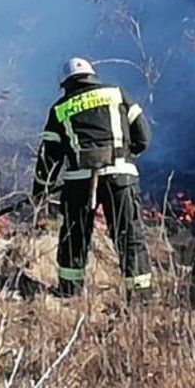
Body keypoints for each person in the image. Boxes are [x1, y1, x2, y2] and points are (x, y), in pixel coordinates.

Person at [32, 57, 153, 303]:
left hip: (79, 181)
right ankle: (140, 295)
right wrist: (126, 157)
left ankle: (69, 290)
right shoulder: (117, 94)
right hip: (121, 177)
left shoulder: (60, 108)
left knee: (74, 236)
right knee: (129, 235)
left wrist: (40, 190)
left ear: (64, 83)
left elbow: (50, 158)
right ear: (92, 75)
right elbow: (143, 136)